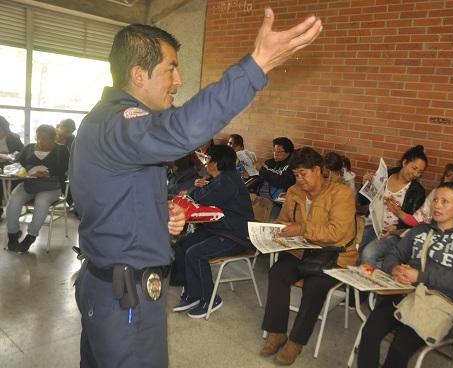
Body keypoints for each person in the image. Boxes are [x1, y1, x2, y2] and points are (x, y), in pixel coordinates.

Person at [69, 9, 322, 368]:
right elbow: (180, 131)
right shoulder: (122, 122)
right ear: (139, 75)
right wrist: (257, 64)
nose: (178, 79)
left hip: (106, 282)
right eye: (170, 68)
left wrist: (159, 215)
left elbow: (111, 197)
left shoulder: (101, 121)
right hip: (126, 296)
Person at [357, 182, 453, 368]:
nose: (437, 205)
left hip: (435, 302)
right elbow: (394, 254)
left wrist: (420, 276)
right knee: (370, 333)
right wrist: (394, 269)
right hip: (402, 293)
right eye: (435, 200)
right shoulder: (421, 229)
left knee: (399, 348)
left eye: (445, 202)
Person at [260, 147, 357, 365]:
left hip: (333, 255)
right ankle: (277, 332)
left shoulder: (341, 194)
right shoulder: (294, 191)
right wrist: (276, 230)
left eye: (303, 173)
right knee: (277, 273)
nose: (299, 179)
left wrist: (301, 229)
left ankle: (296, 342)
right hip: (301, 249)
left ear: (318, 170)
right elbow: (285, 220)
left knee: (314, 286)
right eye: (295, 174)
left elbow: (336, 233)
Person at [170, 145, 254, 317]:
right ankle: (192, 292)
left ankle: (210, 298)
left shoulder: (228, 181)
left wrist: (197, 188)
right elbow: (204, 195)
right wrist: (202, 186)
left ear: (217, 163)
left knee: (195, 254)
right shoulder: (222, 178)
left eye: (208, 160)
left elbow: (200, 199)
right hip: (219, 229)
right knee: (182, 244)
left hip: (235, 235)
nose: (206, 163)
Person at [362, 160, 453, 266]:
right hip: (427, 241)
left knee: (372, 252)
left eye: (449, 176)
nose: (438, 205)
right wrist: (397, 212)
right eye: (436, 200)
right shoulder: (436, 192)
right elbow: (419, 220)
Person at [358, 145, 427, 265]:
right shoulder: (385, 176)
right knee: (355, 248)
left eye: (420, 172)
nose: (415, 174)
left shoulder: (417, 191)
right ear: (405, 162)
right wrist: (365, 185)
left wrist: (396, 228)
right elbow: (363, 201)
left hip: (394, 233)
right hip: (374, 225)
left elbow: (414, 223)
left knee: (368, 254)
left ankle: (371, 282)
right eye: (414, 168)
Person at [5, 124, 69, 252]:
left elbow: (65, 168)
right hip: (30, 183)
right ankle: (13, 235)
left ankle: (31, 236)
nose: (40, 141)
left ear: (53, 138)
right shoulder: (29, 148)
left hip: (51, 185)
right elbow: (18, 163)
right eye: (38, 138)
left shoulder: (61, 150)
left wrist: (48, 172)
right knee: (14, 200)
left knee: (42, 201)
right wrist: (23, 171)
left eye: (44, 138)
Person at [0, 115, 24, 218]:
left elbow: (22, 153)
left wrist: (11, 154)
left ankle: (12, 206)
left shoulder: (14, 137)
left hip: (11, 165)